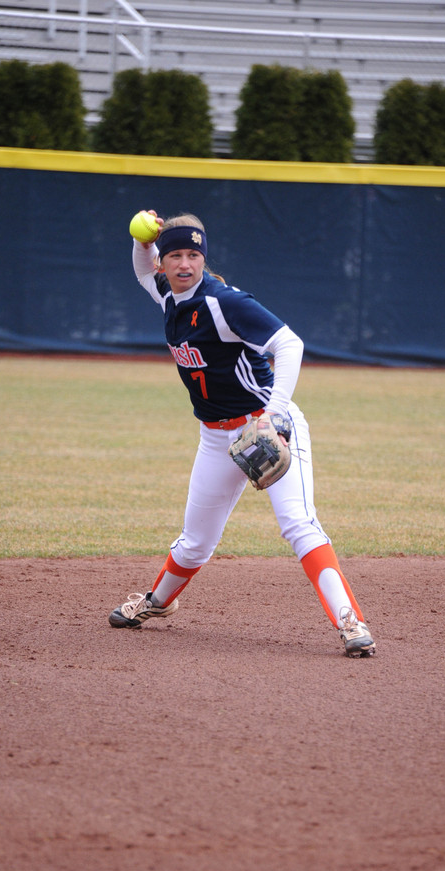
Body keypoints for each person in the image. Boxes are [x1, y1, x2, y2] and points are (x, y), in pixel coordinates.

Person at [109, 210, 376, 658]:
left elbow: (290, 344)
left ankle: (350, 622)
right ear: (164, 261)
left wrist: (274, 413)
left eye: (193, 254)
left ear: (203, 258)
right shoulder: (167, 294)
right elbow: (142, 271)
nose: (184, 264)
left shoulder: (223, 302)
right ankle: (157, 602)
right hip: (215, 438)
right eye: (174, 254)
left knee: (298, 524)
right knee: (196, 539)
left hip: (265, 426)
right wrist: (142, 241)